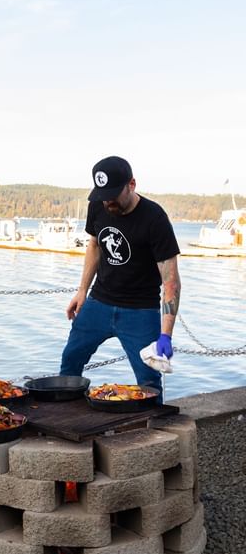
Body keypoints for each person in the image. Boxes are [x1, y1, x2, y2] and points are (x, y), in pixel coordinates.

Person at [59, 156, 181, 400]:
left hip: (140, 310)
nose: (108, 201)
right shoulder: (98, 205)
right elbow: (94, 244)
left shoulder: (154, 218)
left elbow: (171, 281)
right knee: (70, 362)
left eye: (114, 194)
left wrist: (166, 334)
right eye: (103, 195)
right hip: (99, 302)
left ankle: (154, 433)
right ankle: (66, 419)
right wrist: (82, 290)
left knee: (149, 381)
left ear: (132, 184)